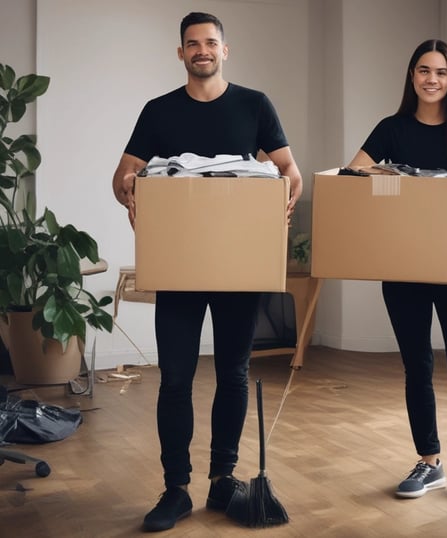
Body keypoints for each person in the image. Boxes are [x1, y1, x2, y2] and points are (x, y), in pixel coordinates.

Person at [112, 12, 302, 532]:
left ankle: (223, 480)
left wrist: (284, 194)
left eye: (210, 42)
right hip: (180, 265)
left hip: (236, 263)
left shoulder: (254, 105)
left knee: (233, 372)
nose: (202, 50)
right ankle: (175, 489)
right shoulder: (159, 111)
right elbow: (123, 172)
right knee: (175, 377)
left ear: (225, 50)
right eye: (192, 44)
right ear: (181, 54)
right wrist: (130, 185)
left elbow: (289, 170)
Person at [347, 38, 447, 504]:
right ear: (412, 76)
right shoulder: (392, 128)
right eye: (423, 70)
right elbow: (353, 174)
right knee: (416, 366)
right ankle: (429, 461)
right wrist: (389, 176)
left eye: (440, 72)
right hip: (403, 268)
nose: (431, 79)